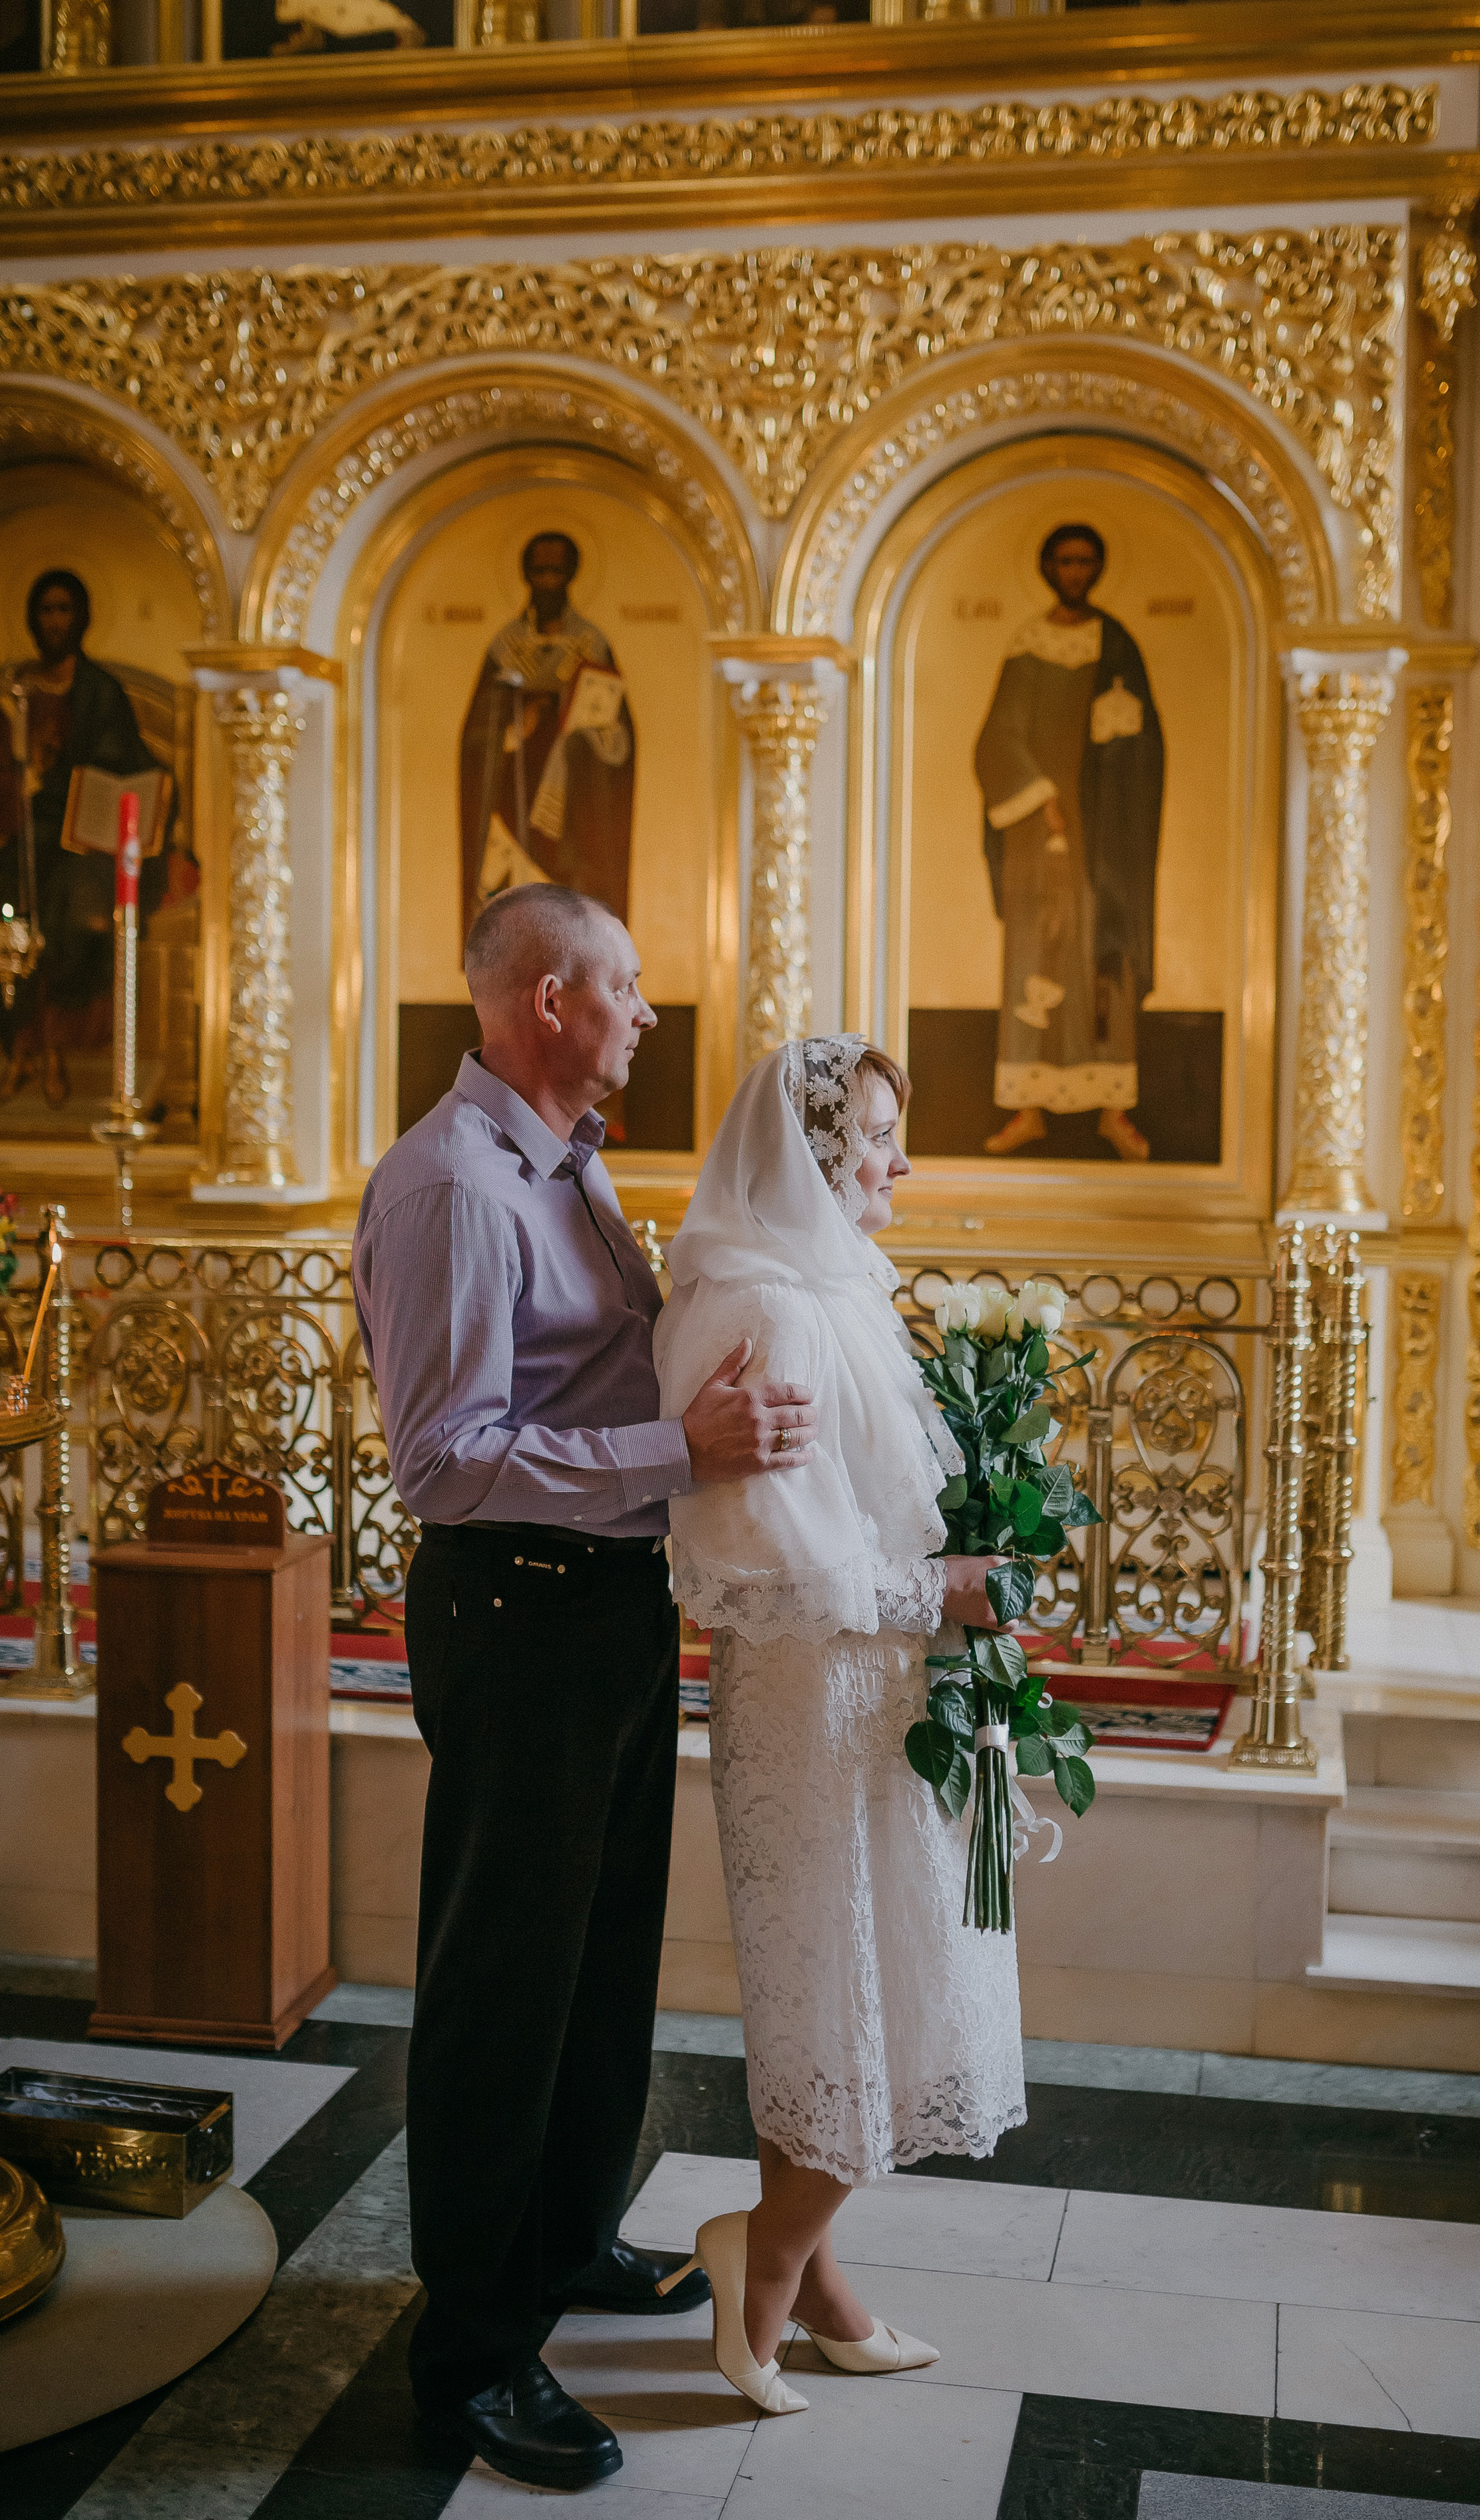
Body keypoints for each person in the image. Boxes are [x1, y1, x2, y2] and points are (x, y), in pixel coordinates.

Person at [353, 881, 821, 2492]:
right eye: (623, 988)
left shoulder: (568, 1166)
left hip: (607, 1595)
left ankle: (561, 2244)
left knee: (601, 1958)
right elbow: (444, 1459)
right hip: (516, 1604)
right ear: (545, 999)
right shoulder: (451, 1189)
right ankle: (473, 2356)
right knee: (504, 1984)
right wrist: (671, 1448)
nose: (644, 1012)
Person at [652, 1034, 1025, 2414]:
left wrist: (955, 1568)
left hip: (872, 1687)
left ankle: (818, 2286)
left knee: (861, 1995)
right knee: (848, 2002)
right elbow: (768, 1564)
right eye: (873, 1134)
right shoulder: (765, 1306)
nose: (898, 1161)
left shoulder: (828, 1292)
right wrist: (945, 1590)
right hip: (813, 1696)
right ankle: (757, 2267)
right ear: (809, 1153)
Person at [974, 522, 1165, 1164]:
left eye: (1086, 562)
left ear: (1099, 568)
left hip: (1104, 839)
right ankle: (1028, 1109)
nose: (1075, 573)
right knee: (1036, 954)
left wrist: (1117, 757)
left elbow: (1145, 745)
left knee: (1101, 954)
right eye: (1064, 562)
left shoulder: (1116, 643)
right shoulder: (1029, 641)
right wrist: (1041, 796)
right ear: (1047, 567)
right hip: (1039, 833)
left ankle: (1114, 1109)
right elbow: (998, 736)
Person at [0, 568, 166, 1107]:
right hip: (19, 838)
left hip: (82, 840)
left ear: (81, 617)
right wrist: (21, 777)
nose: (55, 621)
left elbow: (125, 763)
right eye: (46, 610)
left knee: (73, 917)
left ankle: (55, 1050)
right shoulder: (13, 692)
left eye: (64, 609)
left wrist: (60, 775)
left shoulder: (101, 693)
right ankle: (19, 1049)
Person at [458, 531, 634, 940]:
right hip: (512, 793)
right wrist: (510, 731)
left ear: (571, 576)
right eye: (539, 571)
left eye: (556, 571)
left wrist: (582, 732)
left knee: (569, 906)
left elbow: (620, 742)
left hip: (574, 803)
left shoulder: (591, 644)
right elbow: (475, 737)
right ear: (526, 577)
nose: (547, 581)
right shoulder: (505, 647)